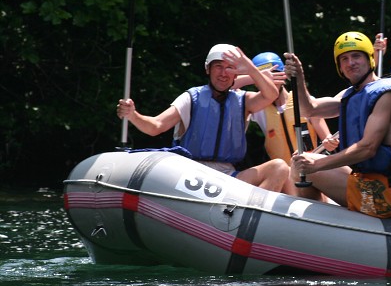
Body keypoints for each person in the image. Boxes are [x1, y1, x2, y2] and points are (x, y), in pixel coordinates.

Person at [116, 44, 292, 193]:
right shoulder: (191, 98)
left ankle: (249, 217)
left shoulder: (243, 101)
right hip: (191, 173)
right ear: (208, 69)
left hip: (228, 177)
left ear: (236, 74)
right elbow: (156, 126)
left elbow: (270, 94)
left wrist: (251, 68)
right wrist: (133, 115)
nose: (223, 73)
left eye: (229, 68)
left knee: (279, 167)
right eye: (218, 67)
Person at [286, 31, 391, 218]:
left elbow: (368, 148)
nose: (350, 62)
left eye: (356, 56)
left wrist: (318, 165)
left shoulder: (388, 93)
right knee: (300, 161)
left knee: (303, 168)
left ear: (370, 59)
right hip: (364, 180)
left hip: (384, 196)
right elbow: (309, 109)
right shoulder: (352, 94)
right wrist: (299, 79)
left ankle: (313, 222)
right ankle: (317, 219)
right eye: (344, 59)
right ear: (340, 68)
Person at [233, 51, 333, 164]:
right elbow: (226, 87)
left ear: (283, 75)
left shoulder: (304, 102)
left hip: (311, 167)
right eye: (264, 77)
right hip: (283, 172)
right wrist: (253, 76)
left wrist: (329, 141)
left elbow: (327, 140)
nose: (270, 81)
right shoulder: (257, 107)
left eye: (275, 74)